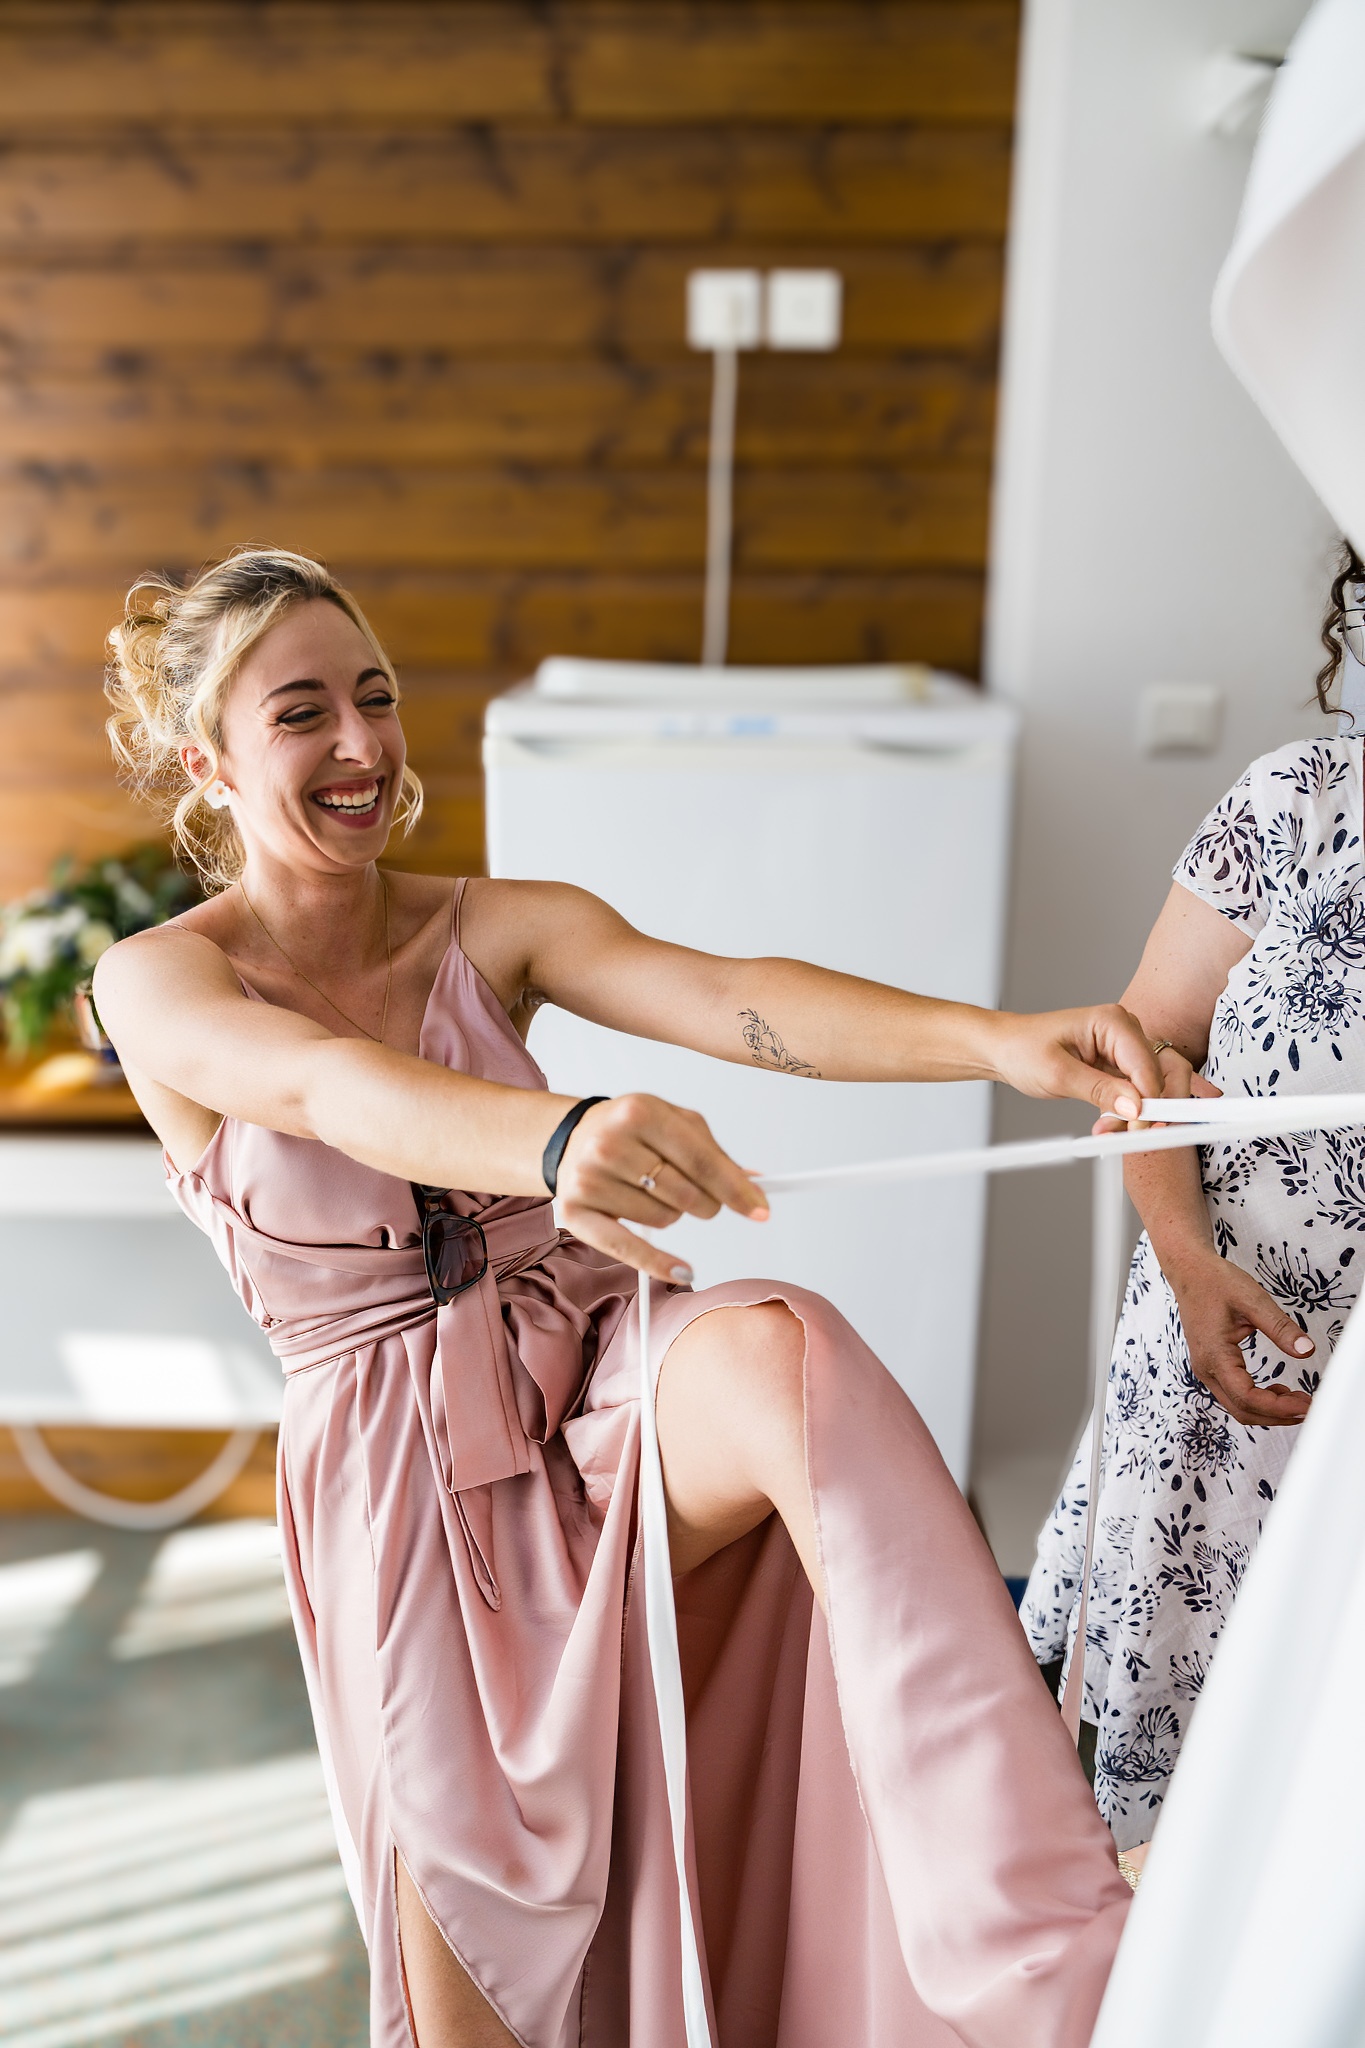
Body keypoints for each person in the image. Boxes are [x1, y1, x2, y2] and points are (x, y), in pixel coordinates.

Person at [94, 547, 1155, 2048]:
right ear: (207, 759)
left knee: (789, 1358)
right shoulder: (157, 983)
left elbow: (733, 991)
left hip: (594, 1374)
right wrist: (556, 1133)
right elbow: (328, 1089)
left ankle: (1054, 1952)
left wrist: (999, 1041)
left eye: (377, 698)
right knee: (481, 1989)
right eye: (301, 712)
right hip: (404, 1495)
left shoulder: (493, 923)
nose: (358, 745)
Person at [1023, 544, 1365, 1853]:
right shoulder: (1294, 805)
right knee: (1170, 1810)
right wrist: (1182, 1258)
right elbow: (1144, 1056)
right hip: (1220, 1363)